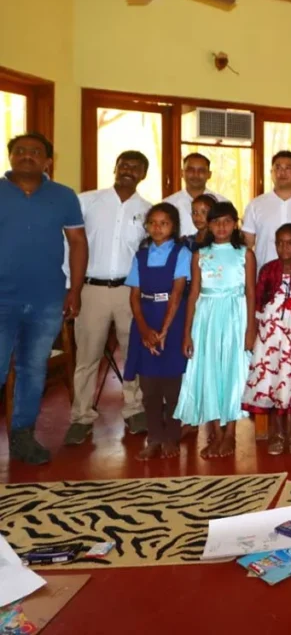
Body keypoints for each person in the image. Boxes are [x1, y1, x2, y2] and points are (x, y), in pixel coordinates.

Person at [1, 133, 86, 464]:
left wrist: (75, 290)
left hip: (46, 299)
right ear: (10, 157)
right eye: (19, 151)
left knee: (32, 369)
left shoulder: (63, 196)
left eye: (35, 152)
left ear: (48, 161)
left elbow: (77, 242)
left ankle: (22, 435)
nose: (27, 156)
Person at [65, 150, 151, 446]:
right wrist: (70, 287)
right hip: (91, 289)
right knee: (87, 356)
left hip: (130, 292)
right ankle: (81, 416)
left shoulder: (148, 211)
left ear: (143, 175)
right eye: (123, 164)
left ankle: (134, 408)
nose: (128, 170)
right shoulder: (86, 201)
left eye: (135, 167)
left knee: (133, 354)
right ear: (114, 167)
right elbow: (70, 247)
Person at [175, 201, 256, 459]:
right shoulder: (200, 254)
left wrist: (250, 328)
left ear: (235, 224)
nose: (221, 227)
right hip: (207, 316)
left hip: (235, 314)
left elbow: (251, 293)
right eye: (216, 222)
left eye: (227, 221)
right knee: (210, 371)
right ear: (208, 225)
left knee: (231, 371)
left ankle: (230, 433)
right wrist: (187, 331)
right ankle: (216, 434)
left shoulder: (246, 254)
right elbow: (194, 294)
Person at [124, 203, 191, 461]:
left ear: (173, 227)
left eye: (164, 223)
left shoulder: (181, 253)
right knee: (149, 387)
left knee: (173, 386)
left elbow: (177, 293)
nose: (157, 228)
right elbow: (134, 296)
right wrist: (144, 329)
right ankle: (154, 438)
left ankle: (172, 436)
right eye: (152, 223)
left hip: (172, 323)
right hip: (145, 319)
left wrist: (163, 331)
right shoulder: (140, 256)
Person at [241, 223, 291, 456]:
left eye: (290, 242)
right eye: (280, 242)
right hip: (271, 335)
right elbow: (259, 300)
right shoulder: (268, 270)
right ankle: (276, 431)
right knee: (272, 379)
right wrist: (255, 330)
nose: (284, 247)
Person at [165, 153, 224, 238]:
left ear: (209, 174)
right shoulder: (168, 204)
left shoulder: (221, 203)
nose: (196, 175)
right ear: (182, 173)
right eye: (190, 170)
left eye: (201, 171)